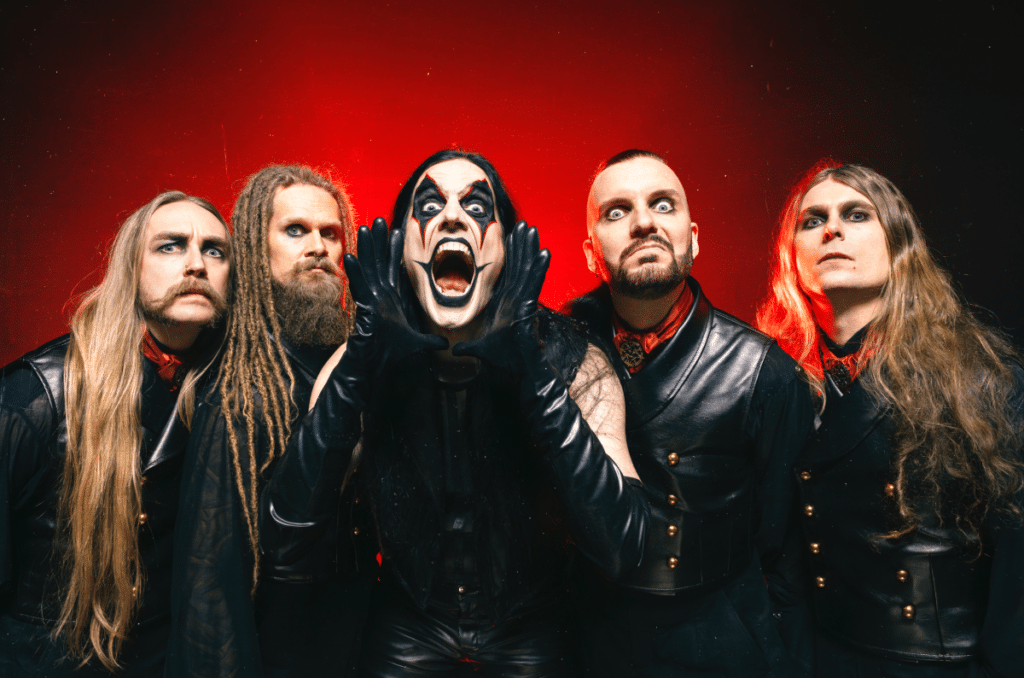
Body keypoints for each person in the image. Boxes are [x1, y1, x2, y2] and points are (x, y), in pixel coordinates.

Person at [259, 149, 650, 676]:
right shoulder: (355, 361)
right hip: (408, 628)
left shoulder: (575, 360)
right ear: (401, 249)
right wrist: (360, 365)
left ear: (506, 250)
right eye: (428, 205)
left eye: (477, 205)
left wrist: (532, 373)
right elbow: (287, 540)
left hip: (531, 629)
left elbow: (624, 547)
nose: (451, 216)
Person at [756, 160, 1024, 677]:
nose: (831, 228)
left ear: (898, 243)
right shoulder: (773, 381)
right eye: (812, 221)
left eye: (856, 214)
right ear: (793, 257)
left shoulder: (983, 378)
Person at [565, 149, 814, 677]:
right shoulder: (555, 350)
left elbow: (785, 553)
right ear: (591, 254)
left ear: (694, 237)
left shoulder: (763, 372)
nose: (644, 222)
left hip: (720, 644)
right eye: (617, 211)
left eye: (663, 204)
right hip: (588, 642)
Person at [0, 192, 230, 677]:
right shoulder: (37, 393)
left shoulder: (227, 385)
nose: (195, 265)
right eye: (170, 246)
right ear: (131, 268)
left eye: (214, 250)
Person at [166, 166, 377, 678]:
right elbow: (209, 592)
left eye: (330, 233)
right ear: (256, 252)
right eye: (295, 230)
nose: (318, 247)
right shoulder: (239, 390)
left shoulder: (353, 357)